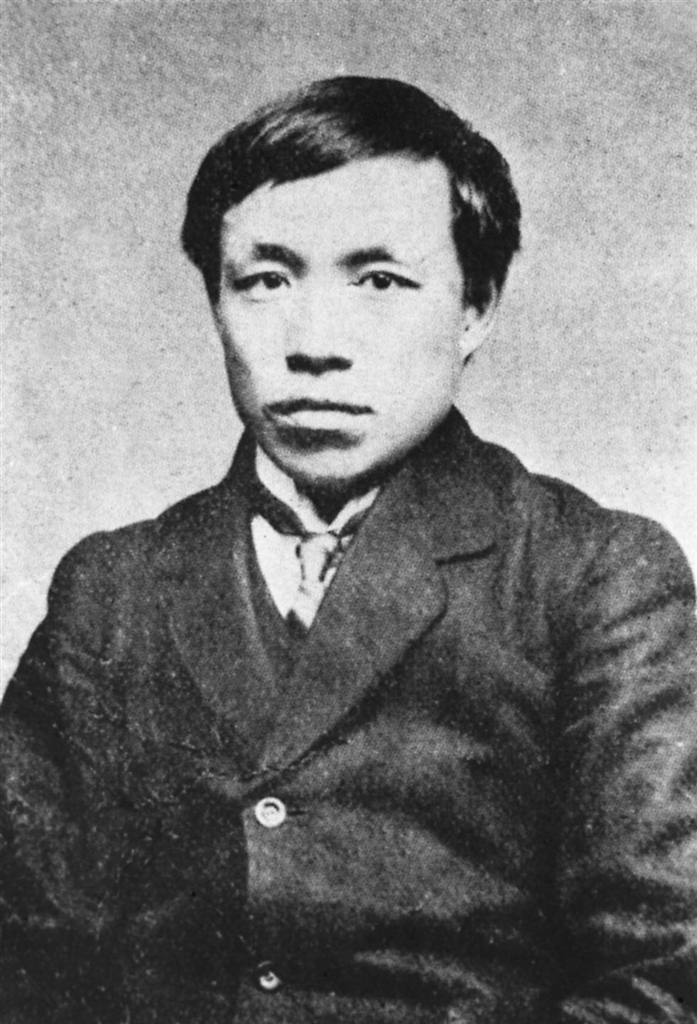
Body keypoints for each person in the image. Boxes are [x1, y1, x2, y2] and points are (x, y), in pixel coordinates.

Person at [1, 76, 695, 1024]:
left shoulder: (593, 576)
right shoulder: (111, 590)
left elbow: (663, 977)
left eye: (378, 281)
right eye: (265, 280)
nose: (314, 343)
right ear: (214, 302)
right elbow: (27, 961)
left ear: (475, 308)